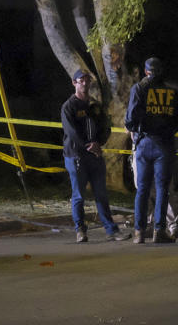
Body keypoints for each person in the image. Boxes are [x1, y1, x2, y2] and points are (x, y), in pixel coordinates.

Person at [61, 69, 130, 243]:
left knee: (101, 194)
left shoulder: (95, 106)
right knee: (79, 196)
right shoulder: (69, 106)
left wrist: (99, 143)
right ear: (74, 83)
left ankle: (112, 231)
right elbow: (72, 132)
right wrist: (88, 146)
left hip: (95, 156)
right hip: (76, 156)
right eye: (81, 80)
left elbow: (105, 128)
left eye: (87, 80)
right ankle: (80, 230)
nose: (85, 83)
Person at [125, 57, 178, 244]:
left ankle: (139, 233)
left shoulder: (139, 89)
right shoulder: (173, 93)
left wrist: (138, 129)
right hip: (164, 145)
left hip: (143, 143)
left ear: (145, 71)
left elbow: (130, 120)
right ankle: (159, 230)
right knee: (162, 190)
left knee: (142, 189)